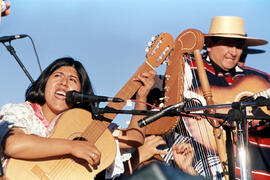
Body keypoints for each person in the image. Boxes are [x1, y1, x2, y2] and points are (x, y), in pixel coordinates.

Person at [130, 16, 270, 180]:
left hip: (256, 165)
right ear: (209, 45)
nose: (234, 52)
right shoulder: (188, 68)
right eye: (227, 44)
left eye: (239, 46)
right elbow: (152, 96)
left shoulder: (260, 80)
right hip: (201, 161)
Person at [0, 57, 156, 179]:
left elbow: (134, 138)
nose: (64, 83)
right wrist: (72, 146)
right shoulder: (22, 111)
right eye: (58, 76)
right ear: (45, 83)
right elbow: (13, 145)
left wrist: (141, 97)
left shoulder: (88, 127)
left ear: (81, 93)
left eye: (72, 80)